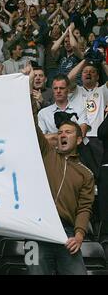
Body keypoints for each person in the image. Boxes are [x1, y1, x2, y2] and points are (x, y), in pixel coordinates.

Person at [29, 99, 95, 275]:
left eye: (68, 132)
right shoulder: (46, 154)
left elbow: (85, 208)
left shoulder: (86, 174)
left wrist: (79, 235)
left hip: (67, 233)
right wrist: (29, 96)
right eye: (59, 133)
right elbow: (32, 126)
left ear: (79, 139)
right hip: (35, 231)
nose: (62, 135)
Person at [38, 75, 89, 146]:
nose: (58, 91)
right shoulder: (43, 113)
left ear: (68, 90)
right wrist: (70, 135)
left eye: (61, 88)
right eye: (55, 88)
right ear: (52, 90)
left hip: (78, 150)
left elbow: (82, 132)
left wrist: (53, 136)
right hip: (54, 152)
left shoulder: (80, 108)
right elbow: (41, 139)